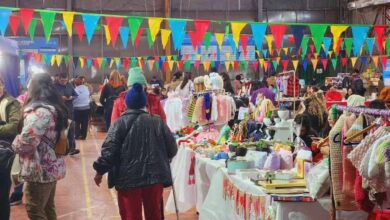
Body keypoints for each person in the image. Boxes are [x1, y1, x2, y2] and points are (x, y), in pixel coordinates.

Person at [93, 83, 178, 220]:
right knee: (154, 214)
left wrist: (99, 171)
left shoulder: (119, 123)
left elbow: (109, 151)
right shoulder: (157, 122)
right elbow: (172, 149)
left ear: (127, 104)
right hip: (154, 177)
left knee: (131, 216)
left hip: (128, 179)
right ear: (144, 103)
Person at [12, 72, 68, 220]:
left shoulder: (40, 112)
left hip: (39, 170)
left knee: (35, 210)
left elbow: (26, 143)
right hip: (51, 166)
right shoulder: (54, 108)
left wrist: (13, 144)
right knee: (48, 209)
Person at [0, 77, 21, 220]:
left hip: (3, 155)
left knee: (1, 195)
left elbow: (13, 128)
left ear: (3, 85)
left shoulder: (12, 103)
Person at [54, 73, 80, 155]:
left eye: (65, 80)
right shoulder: (53, 86)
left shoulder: (70, 85)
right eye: (62, 81)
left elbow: (76, 95)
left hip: (69, 111)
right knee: (59, 130)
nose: (64, 82)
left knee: (71, 129)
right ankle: (58, 149)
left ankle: (72, 148)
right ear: (58, 79)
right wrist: (60, 98)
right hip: (58, 111)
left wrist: (71, 97)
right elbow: (50, 97)